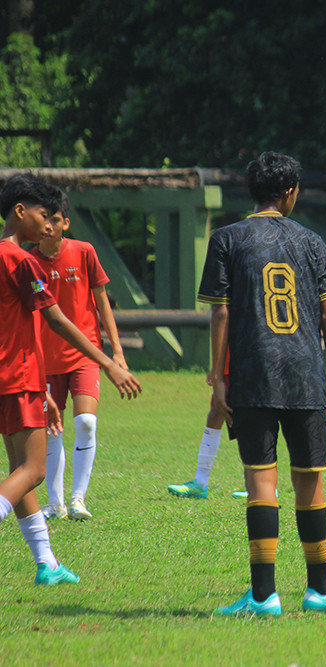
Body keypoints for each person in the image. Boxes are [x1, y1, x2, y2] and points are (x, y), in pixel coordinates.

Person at [199, 151, 326, 616]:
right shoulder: (311, 241)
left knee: (260, 483)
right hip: (306, 375)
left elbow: (221, 313)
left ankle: (263, 596)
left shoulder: (227, 238)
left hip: (252, 376)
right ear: (290, 192)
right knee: (310, 483)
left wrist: (218, 377)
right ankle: (319, 590)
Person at [0, 173, 141, 585]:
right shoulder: (21, 260)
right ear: (20, 211)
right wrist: (110, 363)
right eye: (42, 215)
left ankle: (47, 563)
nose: (48, 224)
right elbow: (57, 320)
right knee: (33, 471)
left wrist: (43, 388)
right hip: (19, 375)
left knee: (19, 471)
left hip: (16, 377)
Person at [28, 189, 128, 521]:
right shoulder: (28, 261)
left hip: (86, 355)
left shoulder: (84, 252)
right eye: (44, 219)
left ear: (66, 224)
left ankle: (78, 499)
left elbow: (102, 303)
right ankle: (55, 503)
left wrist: (117, 351)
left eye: (55, 220)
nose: (48, 226)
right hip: (45, 359)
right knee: (51, 430)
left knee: (85, 422)